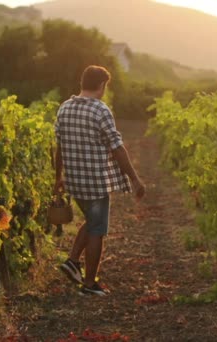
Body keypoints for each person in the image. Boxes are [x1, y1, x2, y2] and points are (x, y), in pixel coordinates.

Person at [54, 65, 146, 296]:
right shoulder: (100, 110)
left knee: (92, 221)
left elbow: (59, 147)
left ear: (82, 82)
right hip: (95, 182)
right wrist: (134, 178)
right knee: (98, 230)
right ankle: (89, 285)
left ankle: (73, 261)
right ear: (102, 85)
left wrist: (58, 177)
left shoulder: (64, 108)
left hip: (75, 181)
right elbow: (117, 148)